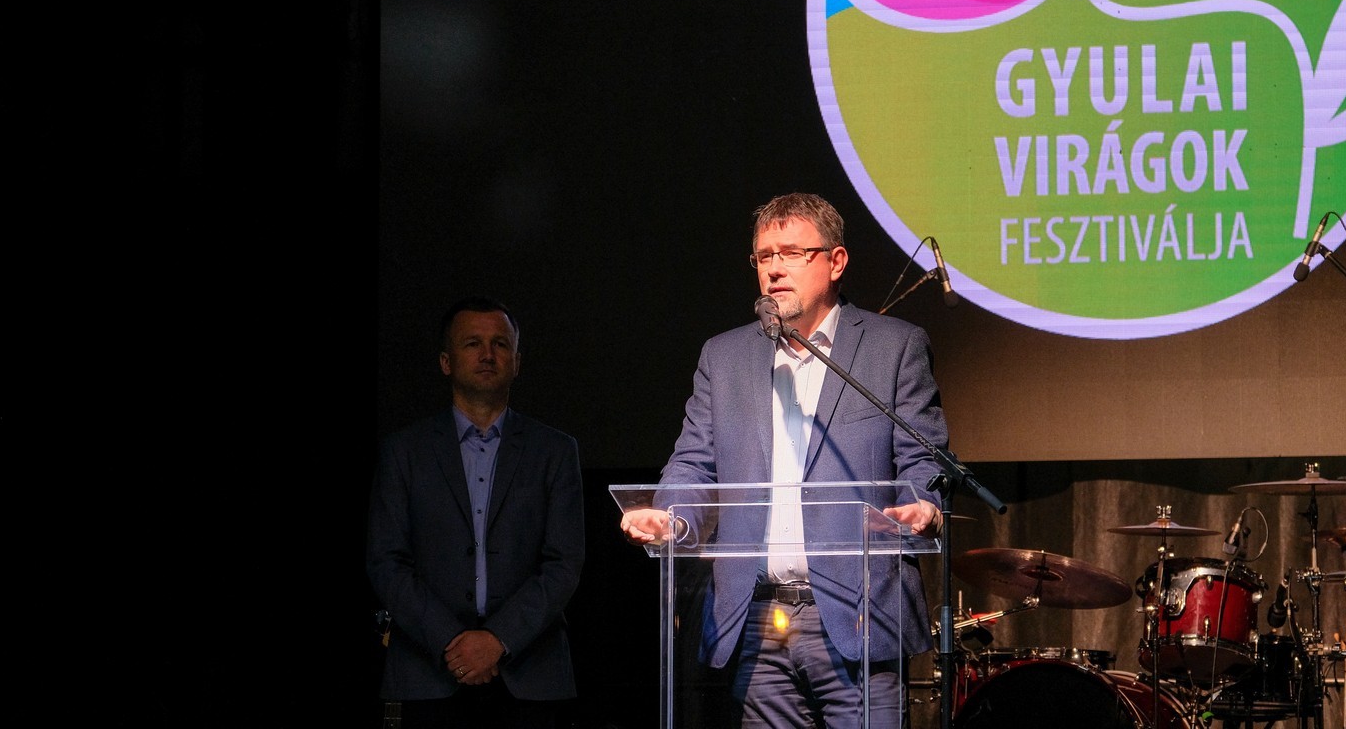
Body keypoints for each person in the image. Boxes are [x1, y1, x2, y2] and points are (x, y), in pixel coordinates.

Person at [620, 192, 947, 727]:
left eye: (791, 253)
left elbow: (924, 460)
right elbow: (693, 463)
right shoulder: (724, 356)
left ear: (835, 262)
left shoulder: (893, 347)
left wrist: (923, 506)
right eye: (764, 256)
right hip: (757, 621)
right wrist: (671, 516)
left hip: (859, 614)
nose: (773, 269)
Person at [368, 295, 585, 729]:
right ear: (446, 362)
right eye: (472, 343)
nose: (487, 354)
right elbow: (386, 562)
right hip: (428, 674)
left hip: (530, 676)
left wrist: (498, 640)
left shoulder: (555, 451)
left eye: (500, 344)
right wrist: (452, 642)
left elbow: (564, 563)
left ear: (516, 362)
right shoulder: (403, 452)